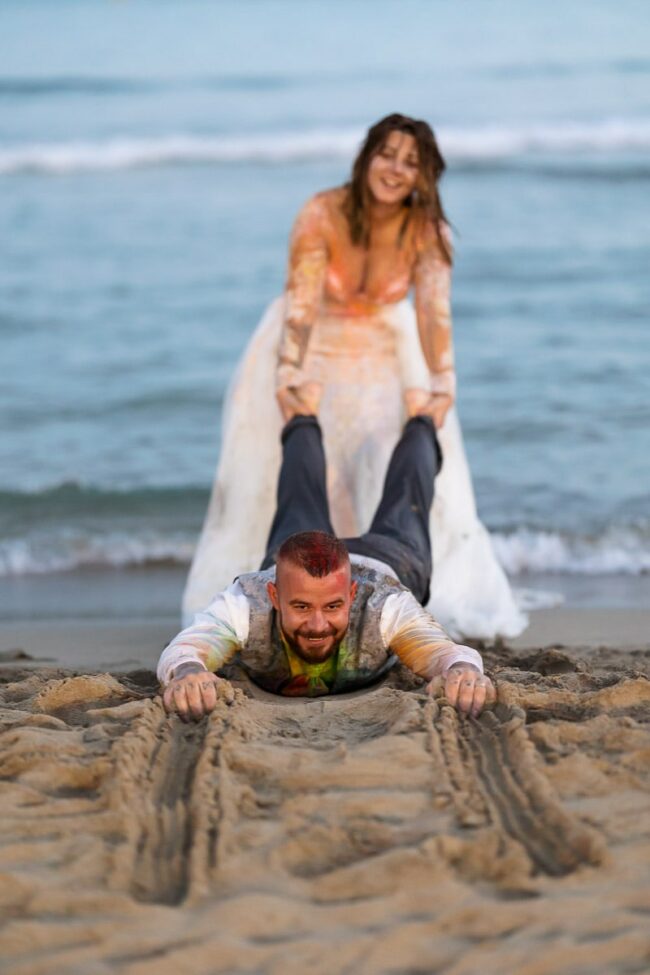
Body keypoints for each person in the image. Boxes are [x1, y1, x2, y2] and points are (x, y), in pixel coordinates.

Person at [182, 113, 526, 640]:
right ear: (367, 156)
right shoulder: (322, 211)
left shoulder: (427, 230)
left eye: (410, 162)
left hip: (385, 345)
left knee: (392, 455)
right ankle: (293, 594)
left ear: (424, 174)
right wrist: (289, 375)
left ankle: (359, 594)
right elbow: (301, 302)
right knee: (296, 463)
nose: (395, 169)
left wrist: (443, 384)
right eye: (387, 154)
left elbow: (433, 314)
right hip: (311, 338)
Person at [159, 404, 496, 721]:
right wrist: (188, 672)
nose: (318, 625)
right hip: (300, 554)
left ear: (351, 594)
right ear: (274, 595)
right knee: (298, 495)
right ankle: (302, 415)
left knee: (407, 498)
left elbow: (444, 652)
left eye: (333, 606)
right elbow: (188, 647)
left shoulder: (385, 606)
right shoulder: (247, 603)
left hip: (388, 557)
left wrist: (461, 672)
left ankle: (423, 420)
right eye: (301, 607)